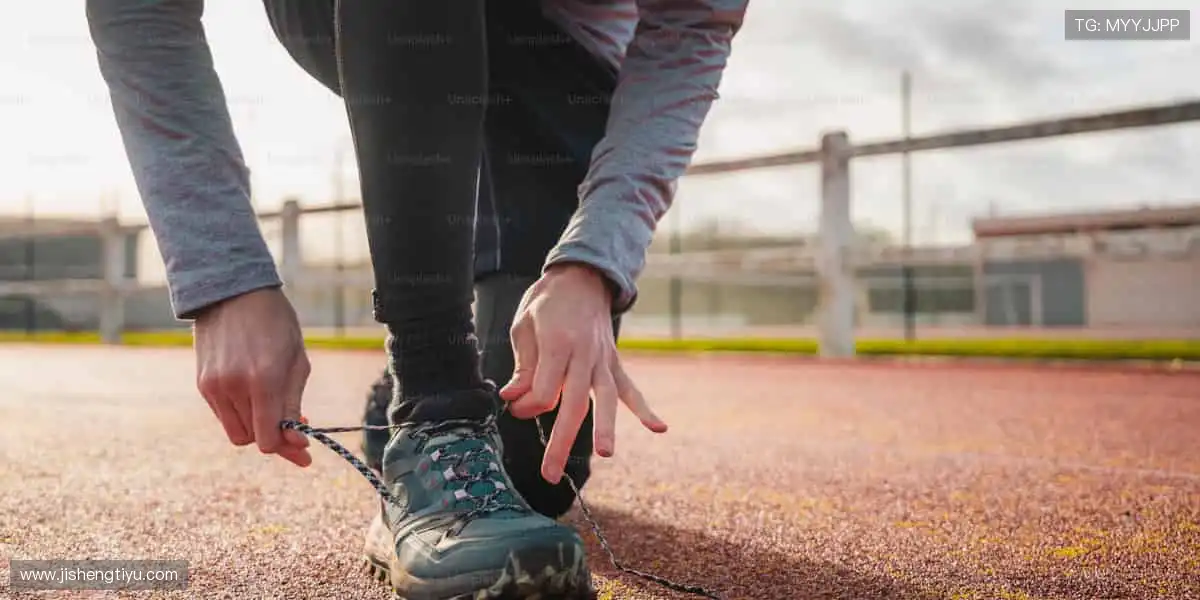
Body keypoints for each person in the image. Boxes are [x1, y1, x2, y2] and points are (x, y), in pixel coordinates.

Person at [86, 1, 746, 598]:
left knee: (530, 474)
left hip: (557, 72)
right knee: (471, 456)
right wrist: (225, 279)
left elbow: (690, 32)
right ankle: (434, 402)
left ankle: (422, 383)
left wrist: (592, 262)